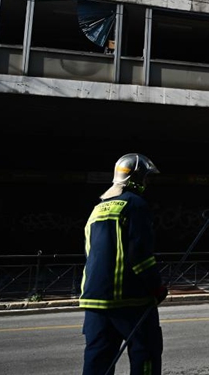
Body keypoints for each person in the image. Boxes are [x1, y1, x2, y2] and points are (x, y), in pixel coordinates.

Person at [80, 153, 169, 375]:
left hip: (94, 300)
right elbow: (140, 257)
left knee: (97, 361)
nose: (147, 183)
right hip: (130, 300)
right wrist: (157, 288)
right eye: (146, 177)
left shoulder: (96, 209)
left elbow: (90, 253)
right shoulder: (136, 205)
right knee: (145, 354)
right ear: (137, 178)